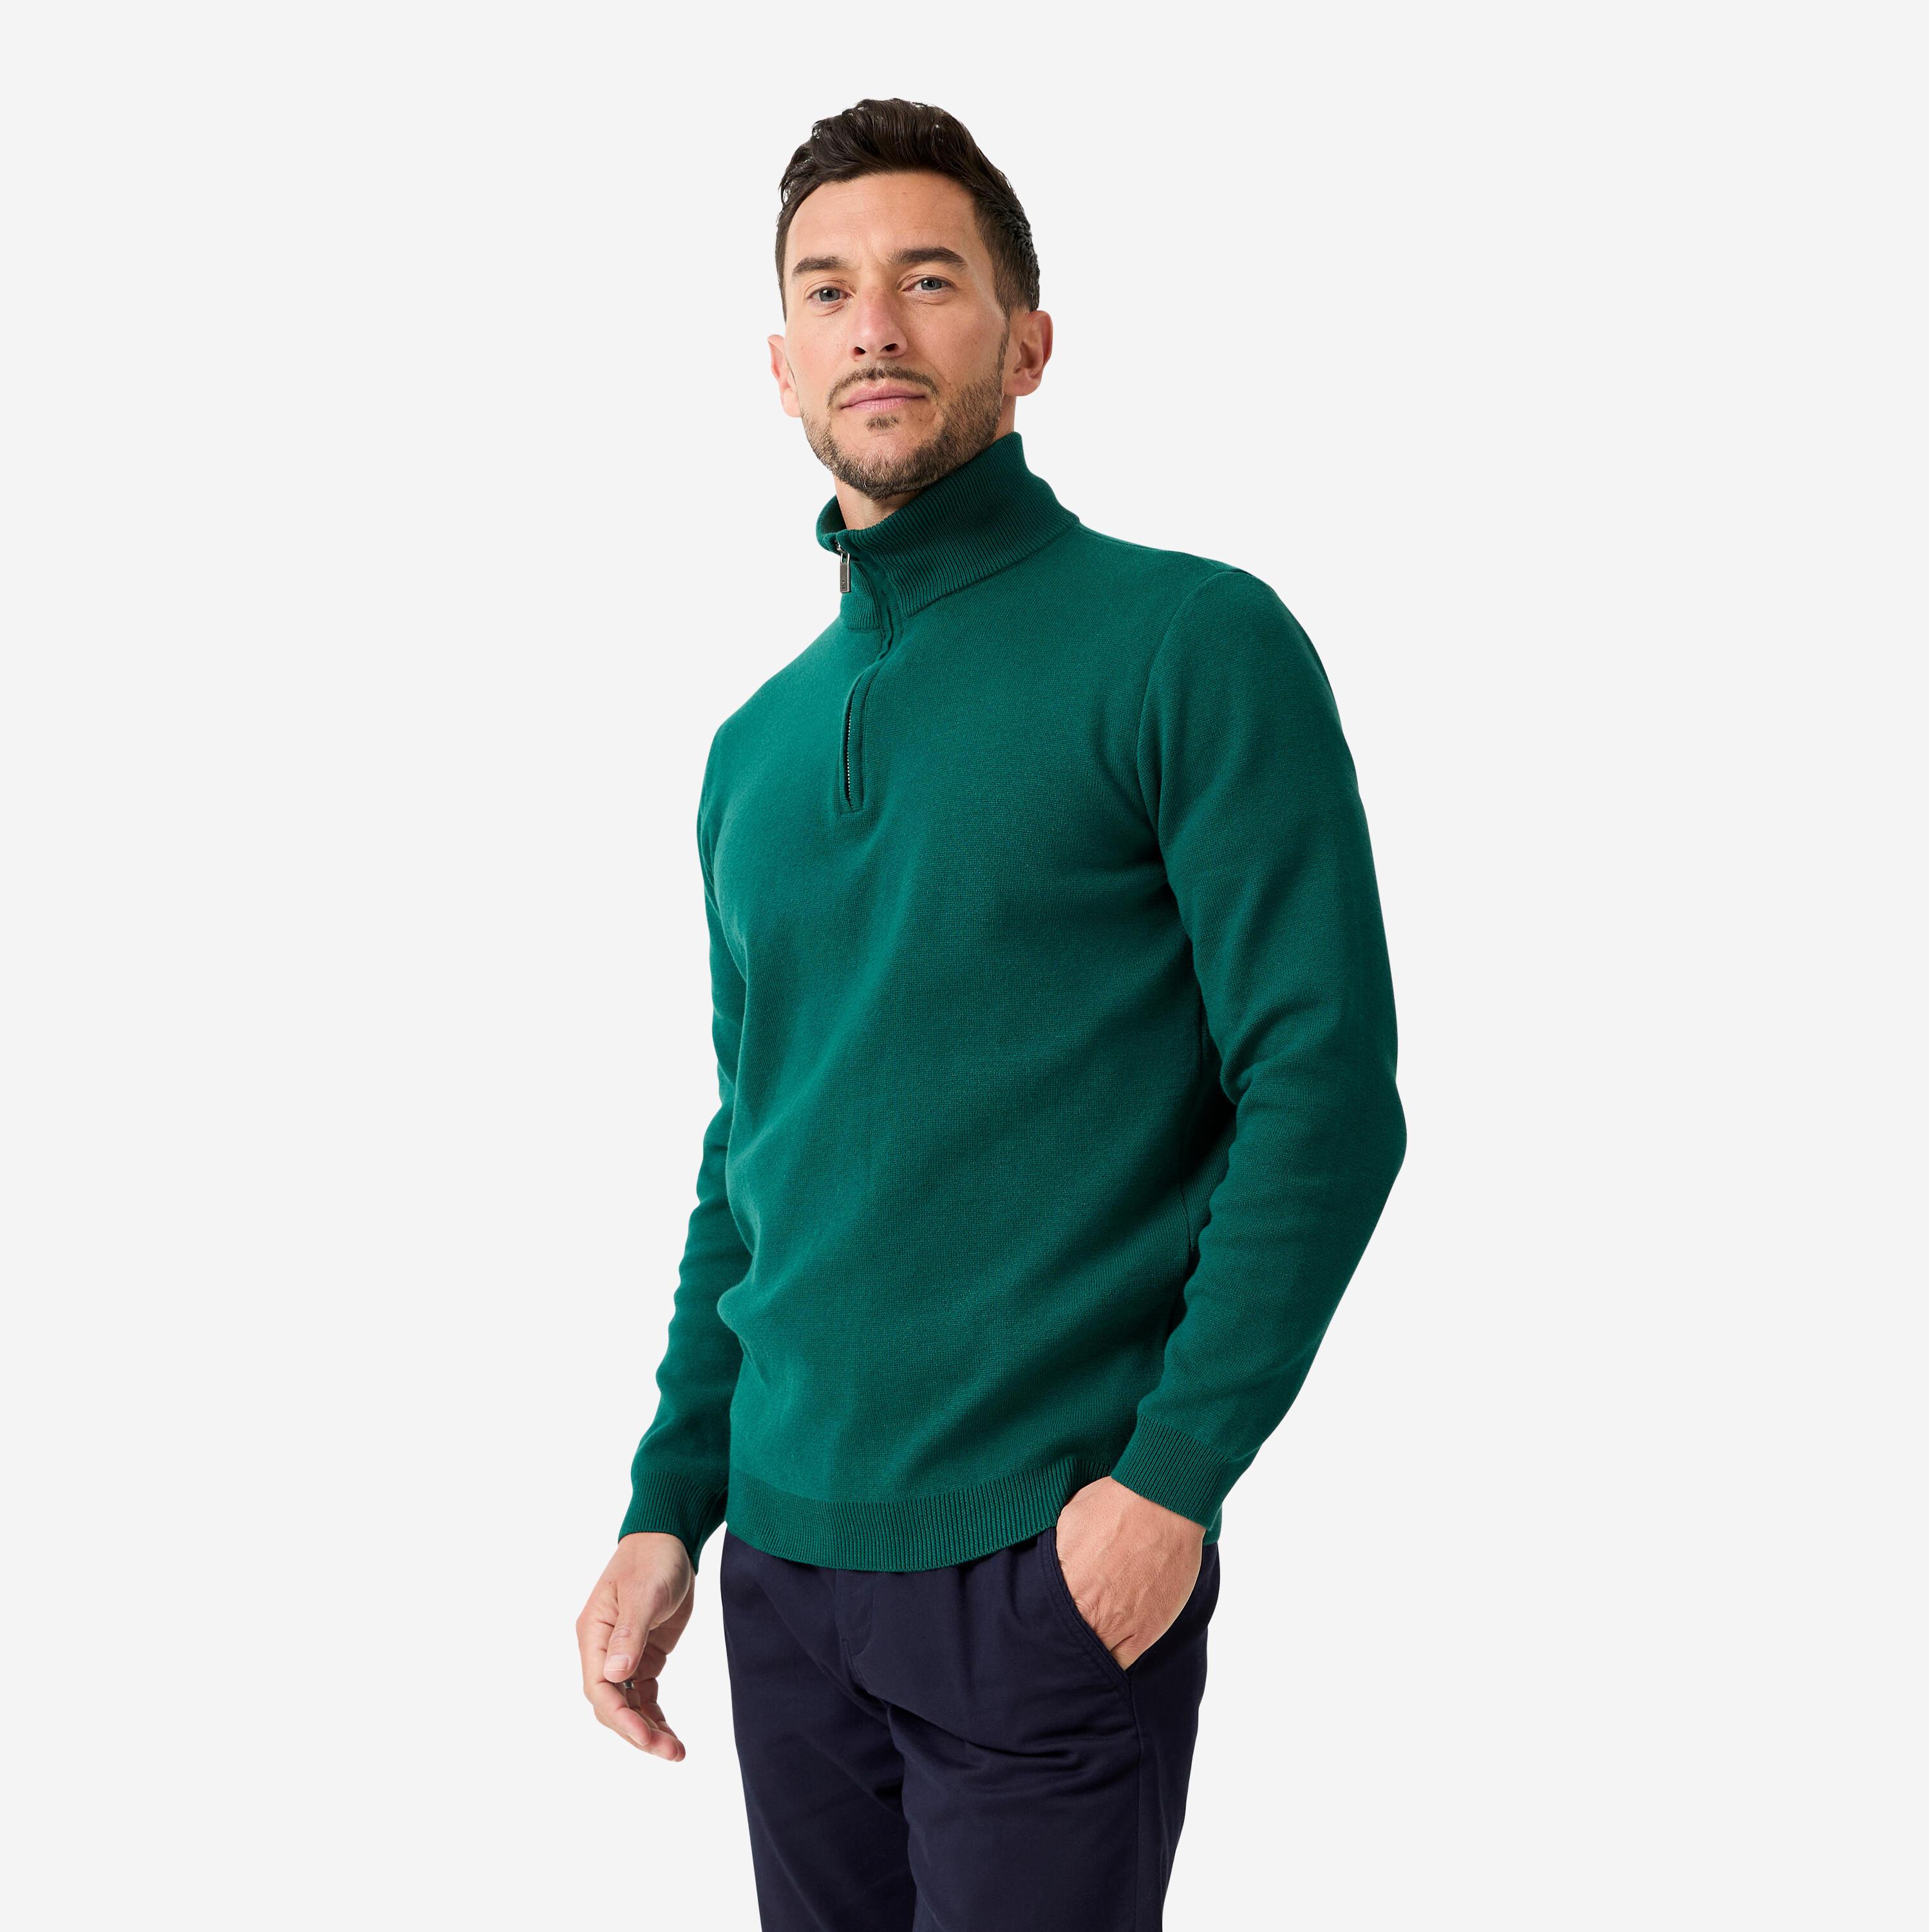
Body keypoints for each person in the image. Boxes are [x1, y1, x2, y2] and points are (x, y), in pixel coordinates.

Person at [575, 96, 1406, 1929]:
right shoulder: (751, 753)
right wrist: (668, 1505)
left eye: (930, 280)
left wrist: (1167, 1483)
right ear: (779, 364)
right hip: (786, 1576)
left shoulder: (1190, 644)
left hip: (1039, 1568)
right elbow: (751, 1154)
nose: (874, 325)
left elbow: (1325, 1088)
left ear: (1028, 342)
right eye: (828, 290)